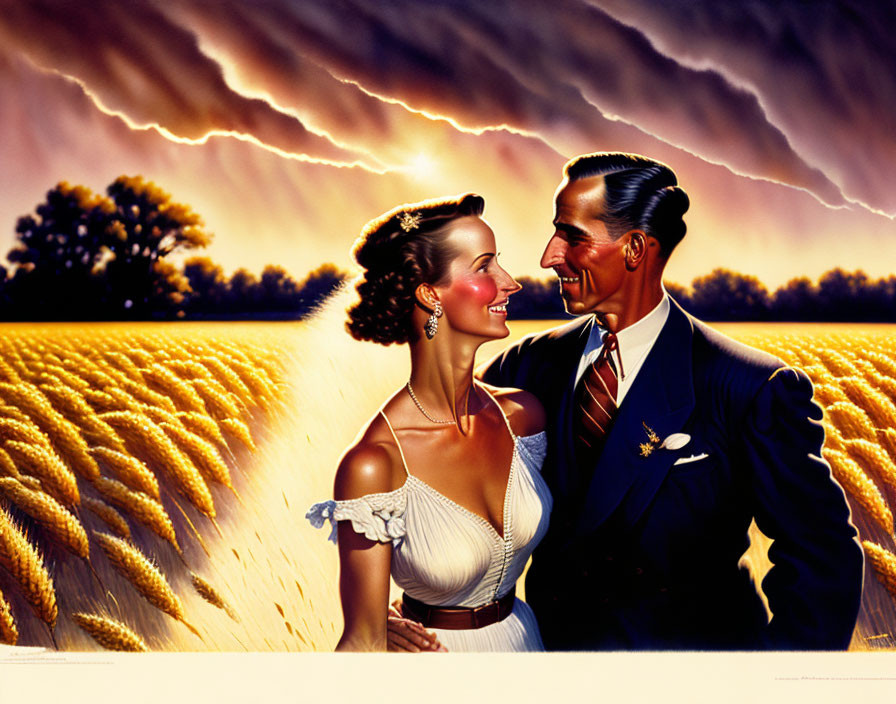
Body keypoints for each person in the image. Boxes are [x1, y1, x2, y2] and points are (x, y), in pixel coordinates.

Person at [390, 152, 864, 651]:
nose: (549, 256)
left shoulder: (750, 386)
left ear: (635, 247)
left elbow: (822, 560)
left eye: (572, 236)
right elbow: (427, 506)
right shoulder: (525, 368)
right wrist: (389, 614)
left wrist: (777, 685)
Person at [306, 193, 552, 651]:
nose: (510, 283)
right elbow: (361, 644)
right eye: (484, 267)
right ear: (429, 293)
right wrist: (378, 627)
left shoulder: (522, 417)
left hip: (525, 648)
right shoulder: (375, 464)